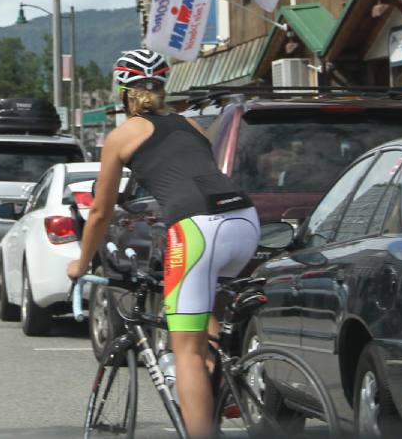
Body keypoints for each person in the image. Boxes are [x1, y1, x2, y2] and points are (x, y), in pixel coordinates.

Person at [67, 49, 261, 438]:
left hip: (197, 230)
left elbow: (101, 212)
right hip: (244, 219)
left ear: (123, 93)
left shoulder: (122, 135)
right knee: (203, 321)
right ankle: (221, 381)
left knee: (183, 351)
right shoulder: (191, 124)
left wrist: (82, 262)